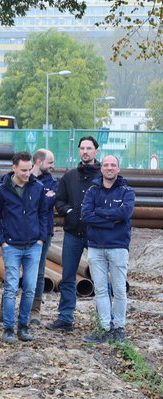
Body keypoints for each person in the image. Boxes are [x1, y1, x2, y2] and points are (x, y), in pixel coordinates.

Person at [0, 152, 52, 344]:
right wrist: (3, 242)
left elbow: (43, 214)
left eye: (29, 169)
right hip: (12, 246)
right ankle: (8, 328)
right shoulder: (2, 190)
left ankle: (23, 326)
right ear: (13, 168)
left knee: (30, 287)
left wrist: (41, 239)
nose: (27, 173)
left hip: (33, 245)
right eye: (23, 170)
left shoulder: (37, 187)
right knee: (10, 287)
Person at [49, 136, 101, 332]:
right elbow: (59, 200)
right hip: (72, 233)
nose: (85, 151)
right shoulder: (69, 176)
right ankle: (65, 317)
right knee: (68, 276)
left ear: (96, 151)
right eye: (82, 148)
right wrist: (69, 211)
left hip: (96, 235)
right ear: (79, 151)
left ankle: (103, 320)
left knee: (101, 278)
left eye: (89, 148)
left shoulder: (103, 176)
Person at [81, 155, 134, 343]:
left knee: (119, 289)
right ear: (101, 168)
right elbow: (86, 215)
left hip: (118, 247)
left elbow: (125, 213)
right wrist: (112, 220)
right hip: (95, 247)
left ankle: (119, 328)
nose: (109, 168)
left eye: (113, 165)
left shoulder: (127, 192)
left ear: (118, 169)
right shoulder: (92, 191)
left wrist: (100, 213)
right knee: (101, 289)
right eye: (106, 165)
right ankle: (104, 328)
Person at [30, 149, 58, 314]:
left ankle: (35, 309)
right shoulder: (24, 177)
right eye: (50, 162)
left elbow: (47, 204)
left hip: (44, 231)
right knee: (13, 270)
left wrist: (32, 199)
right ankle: (8, 308)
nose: (53, 166)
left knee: (39, 271)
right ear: (39, 162)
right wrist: (42, 196)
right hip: (23, 231)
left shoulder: (53, 182)